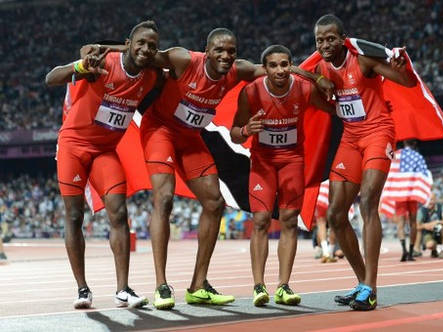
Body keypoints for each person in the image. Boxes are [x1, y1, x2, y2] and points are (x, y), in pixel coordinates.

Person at [87, 28, 335, 310]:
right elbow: (143, 54)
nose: (225, 55)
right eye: (219, 50)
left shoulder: (237, 70)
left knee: (215, 203)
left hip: (192, 137)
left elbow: (278, 70)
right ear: (207, 50)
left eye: (231, 51)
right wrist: (97, 50)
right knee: (164, 199)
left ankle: (198, 285)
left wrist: (317, 78)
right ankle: (162, 285)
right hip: (161, 132)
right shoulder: (184, 60)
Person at [45, 20, 160, 309]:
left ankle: (123, 289)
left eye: (152, 46)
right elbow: (51, 77)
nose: (146, 49)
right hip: (73, 145)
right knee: (74, 217)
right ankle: (83, 289)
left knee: (119, 212)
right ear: (128, 43)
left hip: (104, 151)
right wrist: (80, 68)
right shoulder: (103, 63)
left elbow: (171, 58)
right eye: (141, 43)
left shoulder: (151, 77)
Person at [310, 14, 417, 310]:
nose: (325, 44)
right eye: (320, 40)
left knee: (368, 201)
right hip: (350, 139)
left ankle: (371, 286)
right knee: (335, 214)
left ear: (343, 38)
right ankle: (362, 283)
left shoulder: (364, 62)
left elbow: (407, 82)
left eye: (331, 38)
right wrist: (319, 80)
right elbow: (305, 80)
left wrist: (401, 67)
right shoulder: (320, 68)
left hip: (378, 132)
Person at [230, 45, 336, 307]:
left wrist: (324, 83)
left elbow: (334, 108)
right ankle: (258, 286)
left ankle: (283, 285)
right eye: (274, 65)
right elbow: (234, 131)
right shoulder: (251, 92)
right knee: (262, 219)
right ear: (264, 69)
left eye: (284, 64)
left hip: (292, 160)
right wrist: (246, 130)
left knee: (289, 220)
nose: (280, 70)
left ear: (291, 66)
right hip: (263, 162)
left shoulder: (303, 88)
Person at [394, 140, 428, 262]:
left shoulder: (396, 155)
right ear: (414, 144)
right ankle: (411, 251)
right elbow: (424, 174)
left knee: (400, 224)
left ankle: (404, 250)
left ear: (403, 143)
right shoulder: (417, 156)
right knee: (413, 222)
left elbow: (390, 171)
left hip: (399, 193)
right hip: (412, 193)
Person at [416, 193, 443, 258]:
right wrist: (425, 226)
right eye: (427, 200)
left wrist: (436, 222)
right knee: (429, 245)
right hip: (429, 233)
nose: (429, 202)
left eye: (431, 200)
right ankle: (436, 249)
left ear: (435, 200)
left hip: (441, 232)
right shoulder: (421, 210)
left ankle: (442, 250)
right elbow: (417, 226)